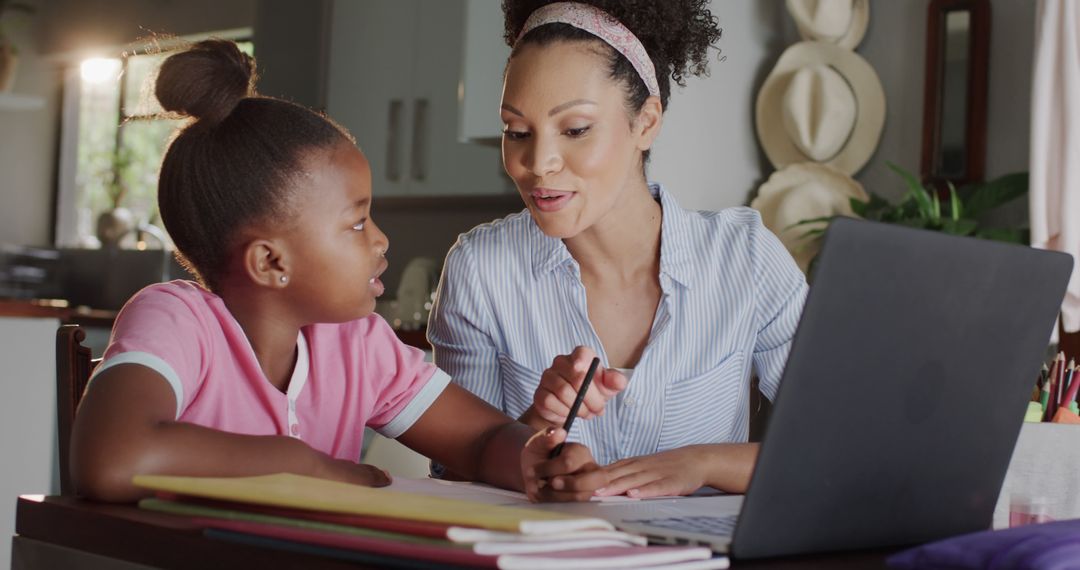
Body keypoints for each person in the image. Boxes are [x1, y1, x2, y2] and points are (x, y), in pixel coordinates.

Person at [70, 39, 594, 503]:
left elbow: (479, 442)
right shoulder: (175, 320)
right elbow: (112, 460)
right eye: (356, 223)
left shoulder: (357, 343)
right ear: (270, 262)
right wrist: (304, 464)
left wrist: (531, 458)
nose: (381, 239)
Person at [428, 0, 808, 499]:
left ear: (646, 122)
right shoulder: (481, 270)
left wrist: (703, 463)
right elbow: (453, 478)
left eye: (576, 130)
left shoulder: (746, 259)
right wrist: (534, 427)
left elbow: (840, 445)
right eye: (516, 132)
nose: (538, 164)